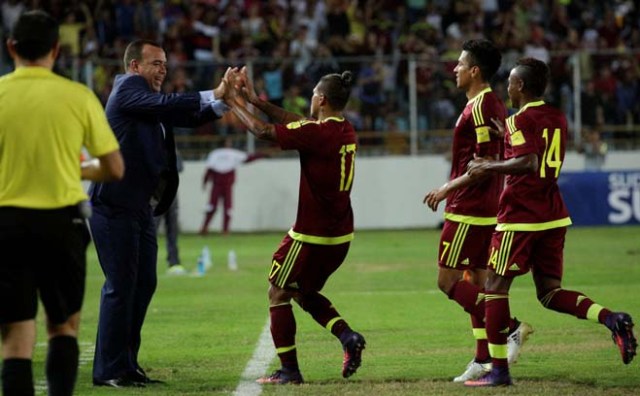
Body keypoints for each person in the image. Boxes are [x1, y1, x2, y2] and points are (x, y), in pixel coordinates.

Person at [465, 58, 637, 387]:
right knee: (548, 292)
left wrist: (489, 167)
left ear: (521, 87)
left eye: (512, 82)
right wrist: (507, 143)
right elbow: (536, 153)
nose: (508, 86)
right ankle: (612, 319)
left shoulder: (519, 120)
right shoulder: (557, 116)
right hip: (553, 214)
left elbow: (529, 162)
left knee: (494, 289)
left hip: (519, 216)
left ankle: (499, 371)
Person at [88, 39, 231, 388]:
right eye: (156, 63)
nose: (163, 70)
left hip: (139, 208)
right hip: (114, 207)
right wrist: (214, 90)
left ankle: (126, 364)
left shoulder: (148, 103)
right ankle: (109, 369)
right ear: (134, 66)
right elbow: (171, 104)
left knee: (143, 284)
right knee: (121, 286)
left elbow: (185, 114)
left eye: (165, 64)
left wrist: (224, 103)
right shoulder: (127, 89)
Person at [0, 10, 123, 396]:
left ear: (11, 47)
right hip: (62, 224)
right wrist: (78, 171)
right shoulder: (77, 95)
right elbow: (114, 168)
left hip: (7, 225)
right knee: (63, 326)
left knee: (16, 335)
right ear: (56, 50)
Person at [223, 67, 366, 384]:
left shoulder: (317, 134)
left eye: (314, 93)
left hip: (310, 234)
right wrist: (255, 100)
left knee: (277, 292)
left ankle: (289, 370)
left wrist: (232, 102)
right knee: (304, 293)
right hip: (340, 236)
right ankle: (348, 338)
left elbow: (263, 132)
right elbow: (293, 122)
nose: (311, 97)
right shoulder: (344, 129)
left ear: (322, 99)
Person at [423, 39, 533, 383]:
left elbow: (486, 164)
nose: (453, 69)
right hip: (483, 206)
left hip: (469, 207)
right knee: (477, 281)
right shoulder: (480, 104)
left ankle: (510, 327)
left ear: (474, 71)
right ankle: (483, 359)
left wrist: (447, 189)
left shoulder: (483, 106)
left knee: (448, 281)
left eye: (459, 64)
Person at [199, 137, 266, 235]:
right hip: (225, 185)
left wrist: (204, 182)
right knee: (226, 208)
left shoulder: (215, 154)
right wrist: (262, 155)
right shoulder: (231, 153)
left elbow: (209, 170)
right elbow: (247, 158)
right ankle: (223, 230)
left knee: (213, 206)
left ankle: (207, 228)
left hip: (219, 184)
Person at [155, 150, 186, 275]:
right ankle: (145, 260)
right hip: (156, 196)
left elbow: (180, 167)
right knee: (152, 230)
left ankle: (174, 261)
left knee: (172, 230)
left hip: (171, 196)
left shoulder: (172, 151)